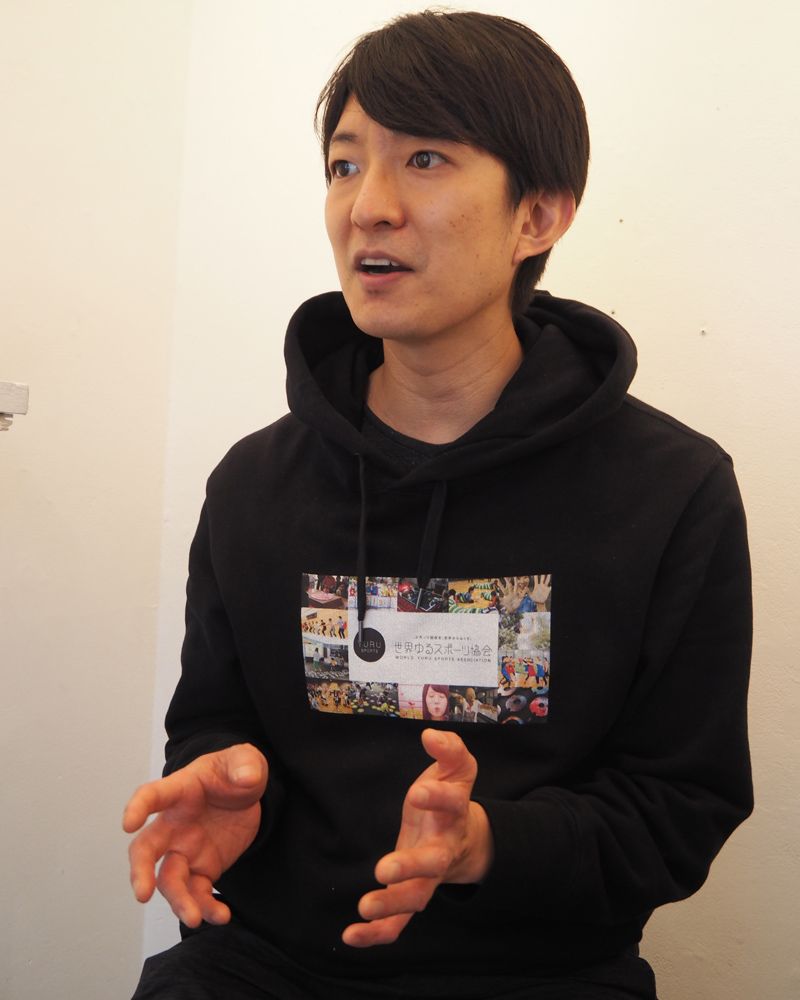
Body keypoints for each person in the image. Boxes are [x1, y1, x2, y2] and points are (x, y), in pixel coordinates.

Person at [124, 10, 752, 999]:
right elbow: (212, 721)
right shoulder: (253, 485)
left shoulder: (671, 490)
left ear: (538, 215)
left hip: (543, 971)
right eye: (344, 164)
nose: (367, 206)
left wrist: (484, 843)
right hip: (269, 962)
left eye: (423, 158)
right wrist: (226, 776)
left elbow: (679, 803)